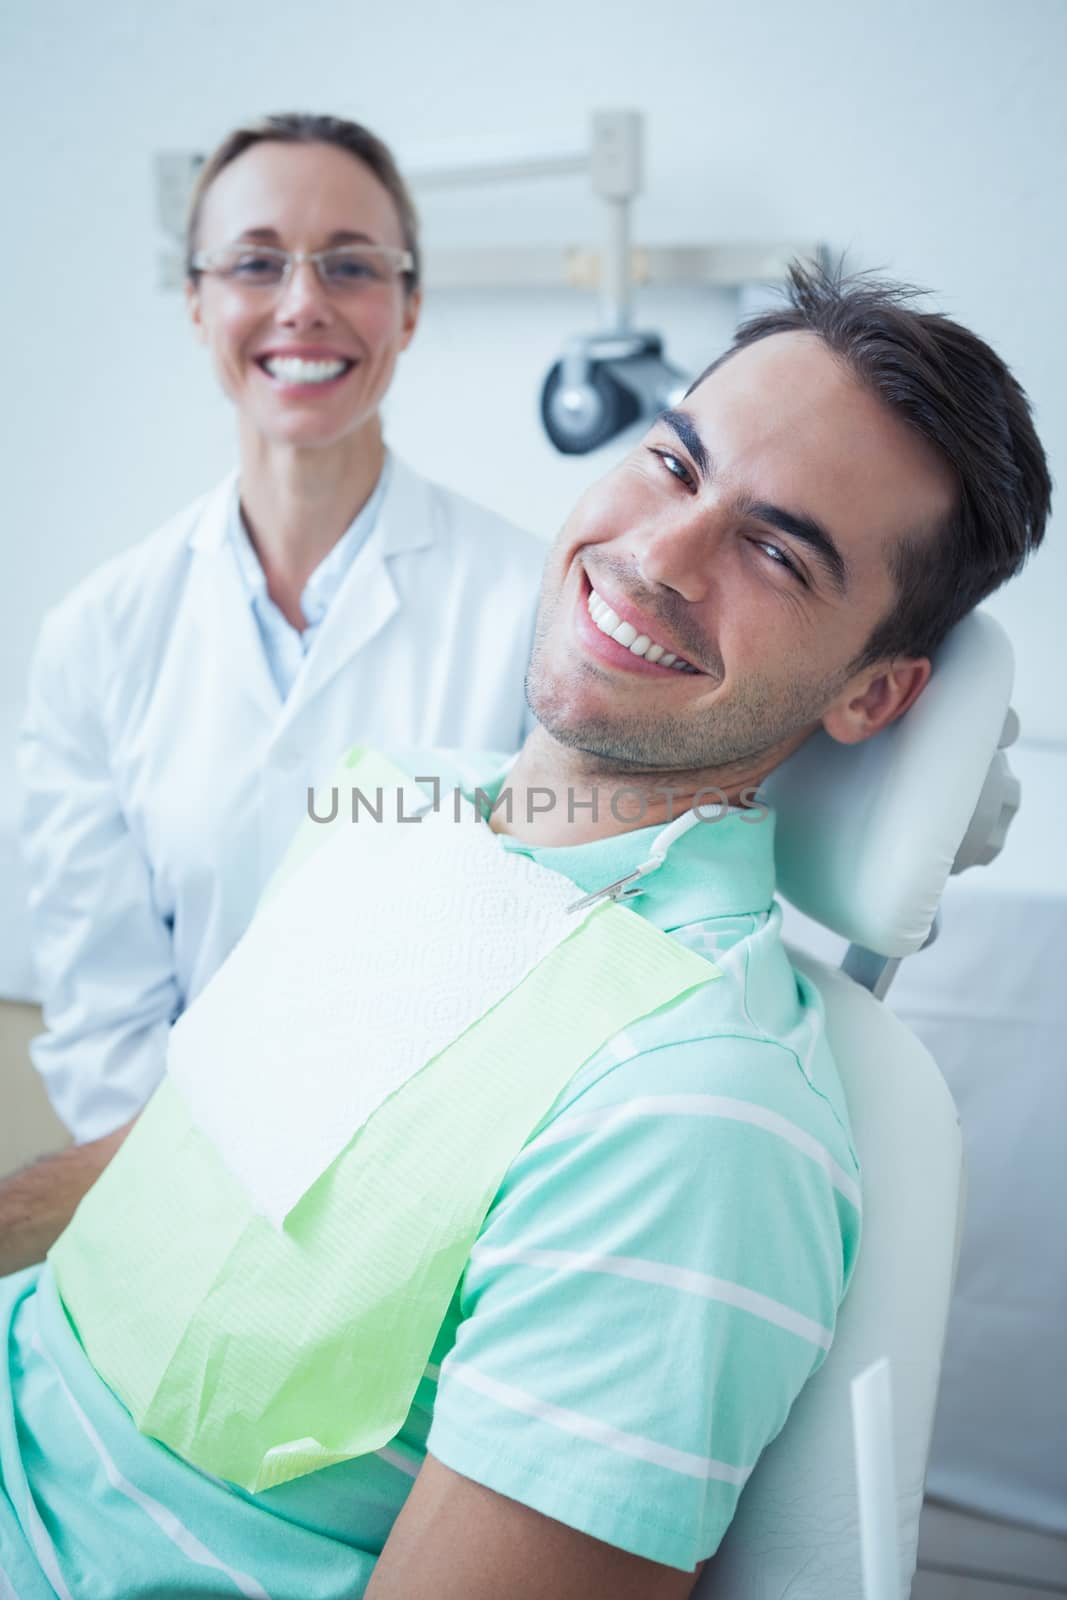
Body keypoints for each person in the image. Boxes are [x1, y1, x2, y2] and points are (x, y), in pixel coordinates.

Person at [0, 265, 1050, 1599]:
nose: (658, 557)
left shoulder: (695, 1118)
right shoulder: (401, 819)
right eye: (673, 464)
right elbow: (195, 1154)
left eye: (775, 553)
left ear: (870, 694)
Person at [16, 112, 545, 1146]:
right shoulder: (97, 637)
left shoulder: (528, 609)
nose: (302, 305)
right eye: (256, 263)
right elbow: (104, 1019)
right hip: (162, 1189)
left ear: (409, 306)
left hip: (437, 1188)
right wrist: (187, 1223)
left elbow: (536, 977)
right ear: (197, 302)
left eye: (349, 265)